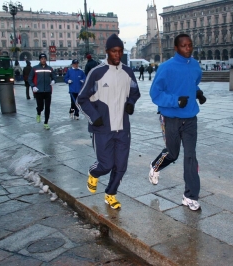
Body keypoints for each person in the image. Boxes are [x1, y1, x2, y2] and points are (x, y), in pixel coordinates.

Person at [76, 33, 141, 209]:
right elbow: (81, 99)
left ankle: (110, 194)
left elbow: (135, 92)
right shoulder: (96, 73)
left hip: (123, 128)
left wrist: (130, 103)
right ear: (107, 52)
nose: (117, 55)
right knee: (106, 164)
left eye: (120, 51)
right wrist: (94, 117)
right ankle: (93, 172)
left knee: (121, 166)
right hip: (102, 128)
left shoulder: (128, 72)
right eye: (114, 51)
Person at [148, 33, 206, 211]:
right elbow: (155, 94)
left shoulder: (195, 66)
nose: (188, 49)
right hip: (171, 118)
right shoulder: (166, 68)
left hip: (190, 118)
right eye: (184, 46)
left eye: (190, 45)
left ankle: (190, 196)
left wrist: (198, 93)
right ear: (176, 48)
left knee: (190, 156)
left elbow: (192, 83)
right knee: (172, 154)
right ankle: (155, 166)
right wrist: (175, 101)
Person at [28, 53, 56, 130]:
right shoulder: (34, 68)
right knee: (41, 107)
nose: (43, 60)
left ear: (46, 59)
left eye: (44, 59)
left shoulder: (50, 68)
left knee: (47, 107)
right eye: (42, 59)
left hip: (47, 90)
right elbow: (30, 79)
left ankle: (46, 122)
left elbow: (54, 76)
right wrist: (33, 86)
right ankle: (38, 112)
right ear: (40, 60)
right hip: (39, 91)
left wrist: (53, 80)